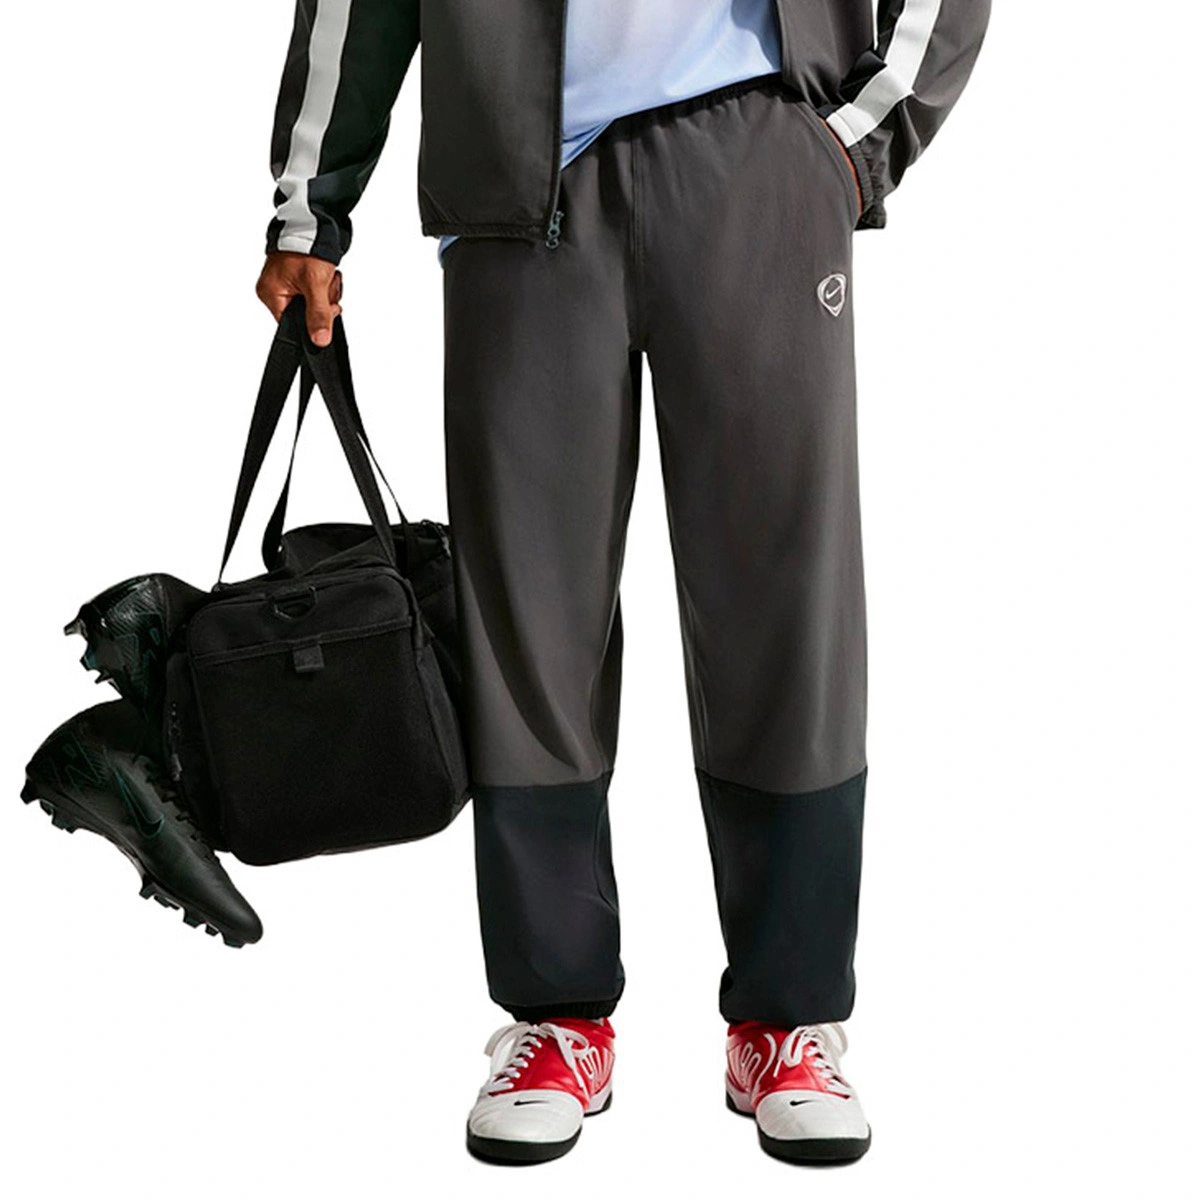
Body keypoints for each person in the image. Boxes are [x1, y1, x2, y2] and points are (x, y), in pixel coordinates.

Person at [254, 0, 990, 1167]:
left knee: (783, 605)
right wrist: (311, 206)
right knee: (527, 617)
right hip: (515, 187)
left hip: (756, 147)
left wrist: (859, 139)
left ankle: (789, 1021)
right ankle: (556, 1019)